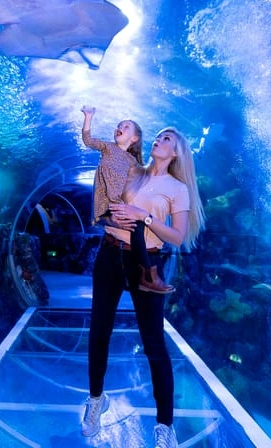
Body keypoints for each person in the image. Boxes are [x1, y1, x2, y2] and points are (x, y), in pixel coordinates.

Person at [81, 127, 205, 448]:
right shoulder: (131, 171)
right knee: (99, 332)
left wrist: (144, 216)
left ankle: (165, 426)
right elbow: (104, 207)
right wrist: (110, 220)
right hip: (110, 254)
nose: (159, 141)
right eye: (158, 136)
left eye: (167, 139)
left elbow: (177, 236)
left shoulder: (178, 188)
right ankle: (96, 399)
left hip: (146, 261)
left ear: (176, 153)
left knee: (154, 343)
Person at [80, 106, 171, 293]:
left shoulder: (133, 162)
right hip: (108, 204)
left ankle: (143, 273)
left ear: (135, 138)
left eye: (126, 126)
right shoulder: (108, 148)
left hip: (121, 204)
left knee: (138, 225)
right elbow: (88, 140)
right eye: (119, 125)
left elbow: (141, 185)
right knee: (137, 226)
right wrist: (88, 116)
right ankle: (148, 274)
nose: (120, 127)